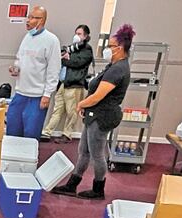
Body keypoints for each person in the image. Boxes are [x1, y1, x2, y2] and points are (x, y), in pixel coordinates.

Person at [53, 24, 135, 200]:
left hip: (103, 116)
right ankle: (72, 185)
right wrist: (86, 106)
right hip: (95, 114)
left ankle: (98, 189)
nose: (107, 49)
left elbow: (98, 95)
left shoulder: (118, 69)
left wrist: (81, 104)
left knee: (97, 154)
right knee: (84, 150)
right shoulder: (113, 66)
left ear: (119, 48)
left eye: (110, 46)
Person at [6, 6, 61, 140]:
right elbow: (20, 59)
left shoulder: (52, 40)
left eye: (32, 18)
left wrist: (47, 95)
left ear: (41, 20)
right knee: (12, 132)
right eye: (28, 17)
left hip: (37, 97)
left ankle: (29, 160)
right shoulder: (26, 38)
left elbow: (54, 70)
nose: (27, 21)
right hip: (20, 94)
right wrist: (15, 69)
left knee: (30, 136)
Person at [41, 24, 94, 143]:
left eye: (79, 34)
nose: (76, 36)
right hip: (63, 83)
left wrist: (66, 59)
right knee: (57, 109)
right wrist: (65, 56)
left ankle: (67, 134)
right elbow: (63, 59)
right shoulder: (71, 48)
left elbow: (78, 63)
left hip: (74, 84)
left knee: (72, 111)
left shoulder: (87, 49)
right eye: (76, 33)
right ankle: (47, 132)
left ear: (86, 36)